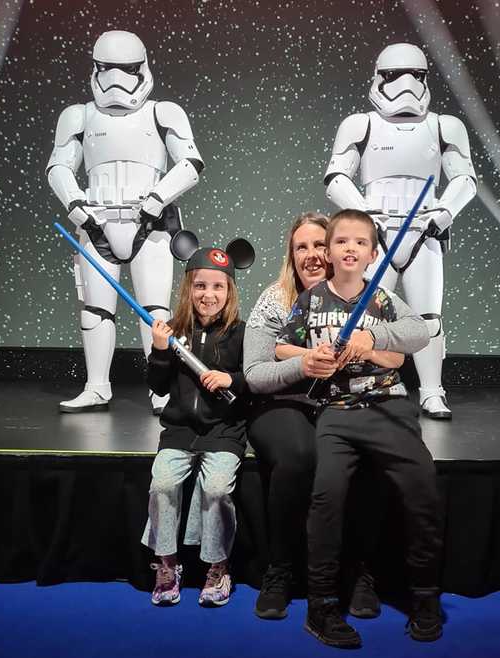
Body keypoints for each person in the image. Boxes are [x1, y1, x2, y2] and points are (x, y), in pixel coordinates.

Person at [243, 212, 429, 620]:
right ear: (291, 256)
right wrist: (303, 364)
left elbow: (403, 345)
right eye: (300, 247)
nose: (311, 255)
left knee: (366, 455)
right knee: (300, 457)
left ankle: (357, 571)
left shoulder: (363, 294)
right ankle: (281, 569)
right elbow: (256, 374)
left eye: (316, 246)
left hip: (343, 403)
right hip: (284, 402)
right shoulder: (275, 299)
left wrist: (372, 342)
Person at [46, 30, 204, 414]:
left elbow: (190, 163)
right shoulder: (79, 116)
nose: (117, 81)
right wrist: (76, 204)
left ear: (142, 68)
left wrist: (157, 198)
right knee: (96, 310)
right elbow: (58, 167)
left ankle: (160, 388)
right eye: (108, 70)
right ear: (96, 69)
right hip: (96, 223)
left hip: (148, 226)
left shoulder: (162, 112)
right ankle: (97, 386)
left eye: (126, 70)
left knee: (154, 312)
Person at [323, 43, 477, 419]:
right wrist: (363, 213)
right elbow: (336, 177)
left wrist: (445, 210)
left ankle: (432, 391)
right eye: (395, 76)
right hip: (375, 236)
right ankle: (356, 385)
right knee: (364, 315)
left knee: (428, 319)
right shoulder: (361, 124)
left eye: (416, 76)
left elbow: (465, 179)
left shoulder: (444, 126)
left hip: (424, 230)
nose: (405, 85)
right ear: (379, 78)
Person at [141, 241, 252, 607]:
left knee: (218, 488)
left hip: (224, 432)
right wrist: (159, 350)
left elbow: (253, 381)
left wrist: (230, 380)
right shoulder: (174, 331)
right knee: (162, 484)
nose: (208, 294)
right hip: (179, 431)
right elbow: (157, 387)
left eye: (217, 286)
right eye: (200, 286)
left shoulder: (242, 333)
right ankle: (168, 564)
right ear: (189, 288)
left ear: (229, 290)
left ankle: (218, 567)